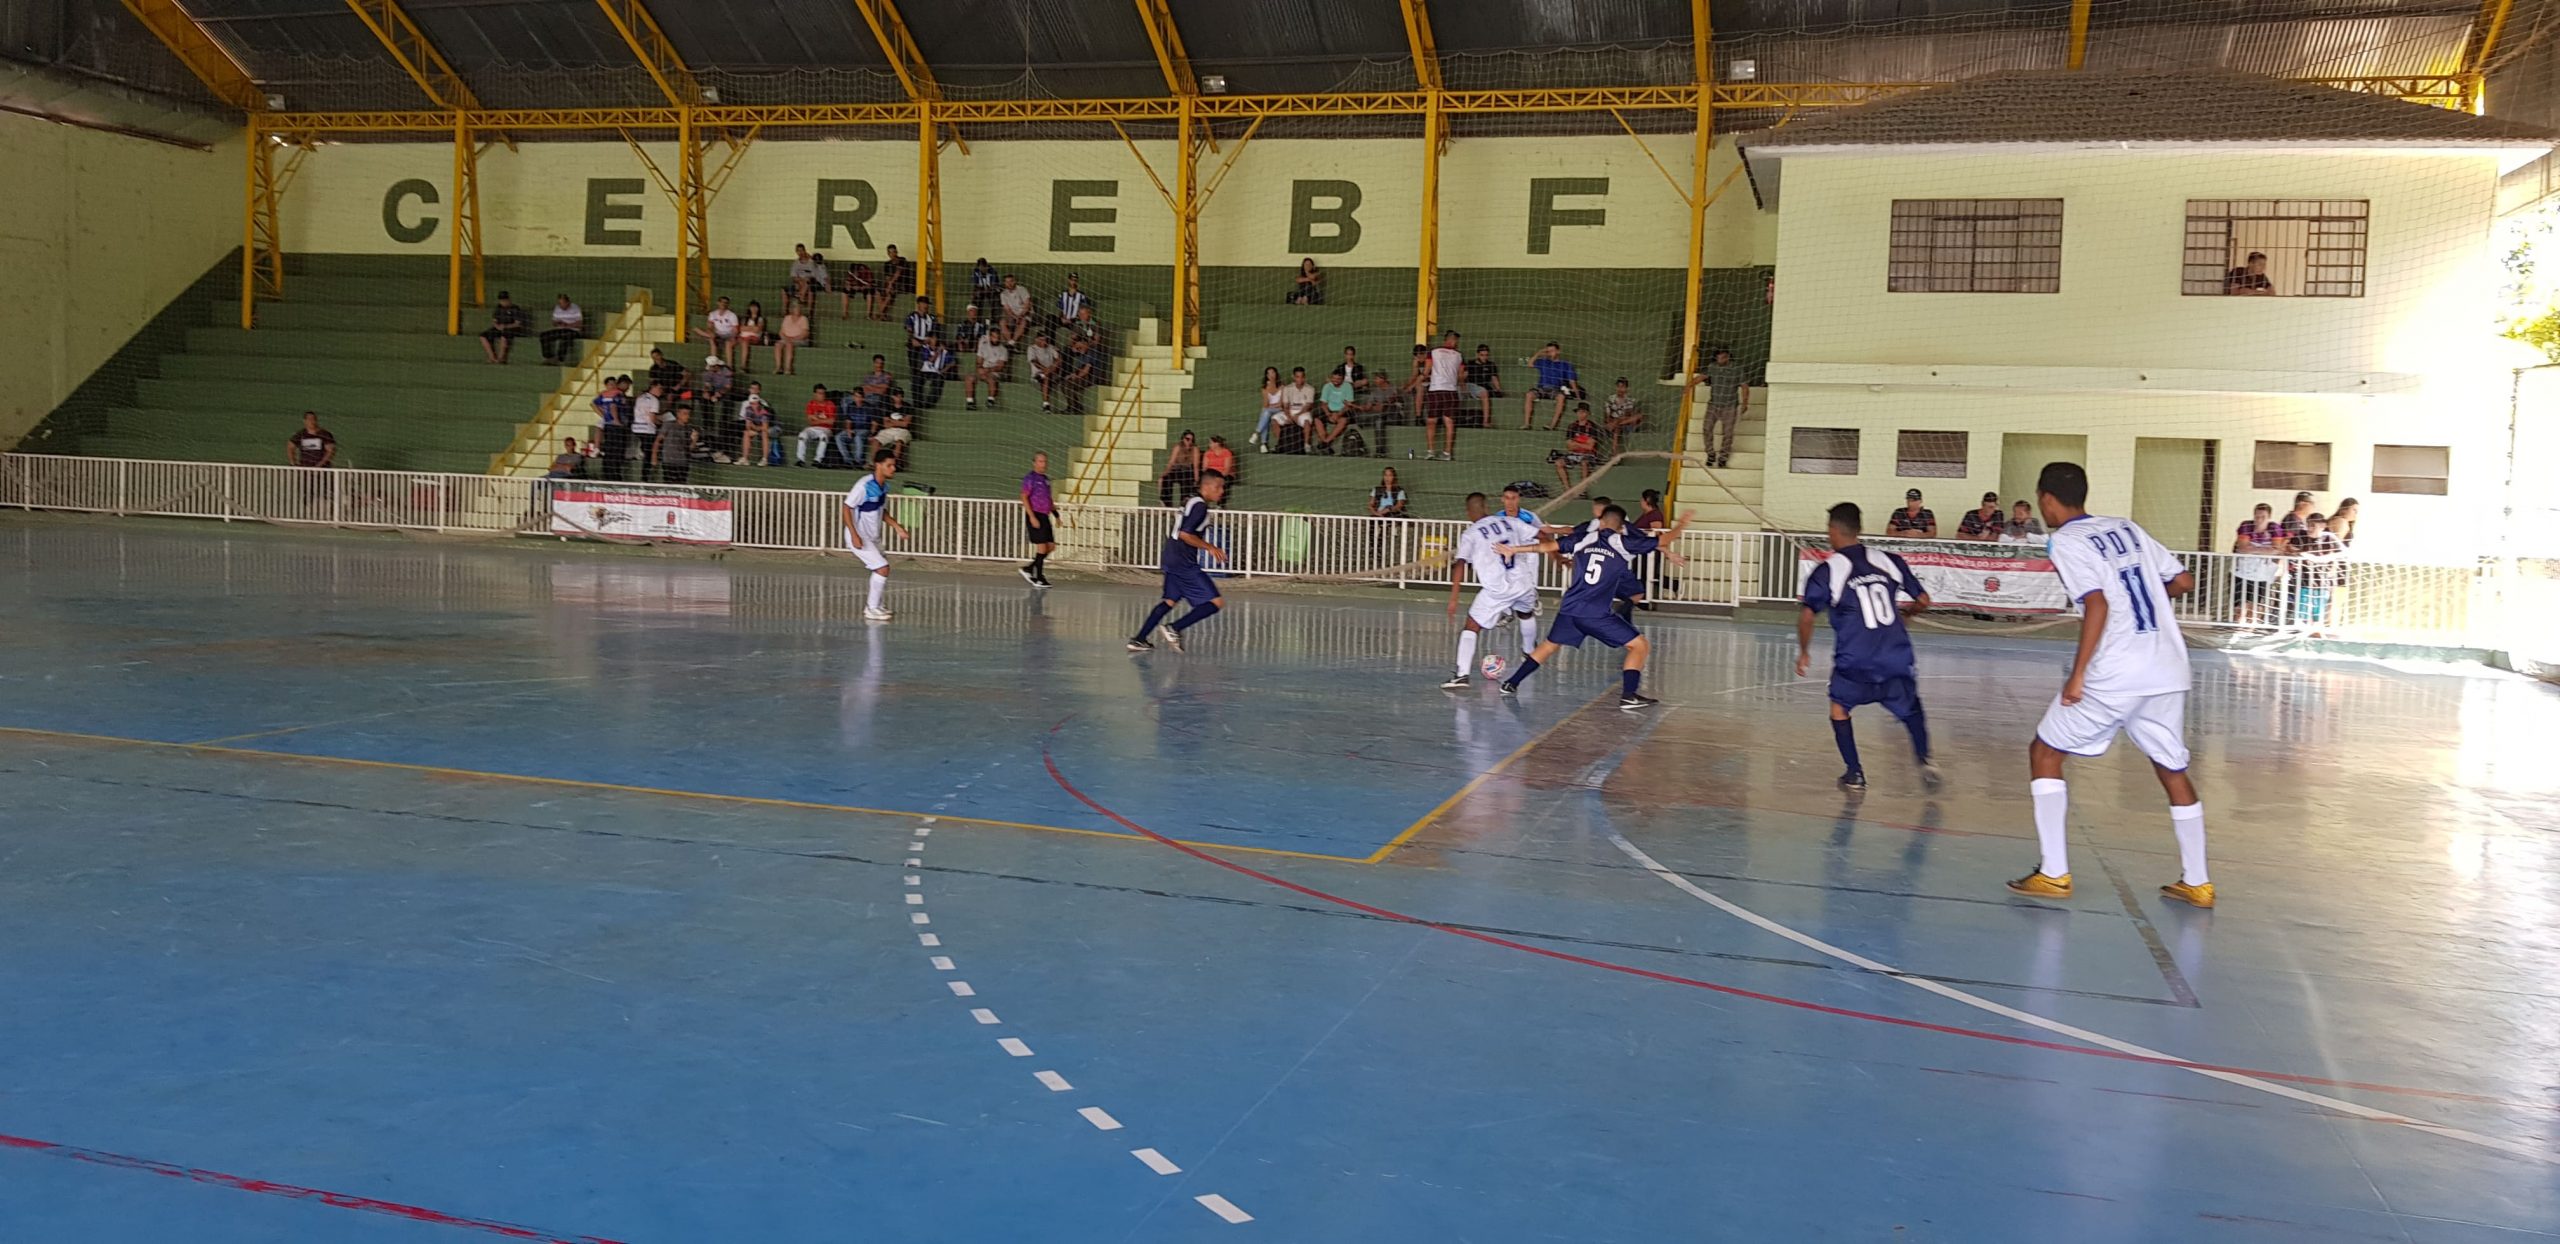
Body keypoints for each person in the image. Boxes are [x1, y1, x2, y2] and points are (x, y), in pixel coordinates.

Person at [2007, 461, 2211, 908]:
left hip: (2117, 672)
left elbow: (2096, 604)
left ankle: (2054, 872)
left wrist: (2078, 673)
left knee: (2044, 752)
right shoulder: (2125, 527)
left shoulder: (2065, 540)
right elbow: (2182, 580)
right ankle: (2198, 882)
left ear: (2045, 498)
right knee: (2171, 767)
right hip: (2166, 667)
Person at [1796, 502, 1940, 792]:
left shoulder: (1829, 570)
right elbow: (1924, 599)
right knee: (1911, 707)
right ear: (1859, 529)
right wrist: (1907, 615)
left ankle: (1855, 773)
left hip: (1856, 660)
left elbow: (1808, 614)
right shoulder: (1888, 560)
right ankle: (1925, 760)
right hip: (1895, 656)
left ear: (1832, 531)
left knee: (1839, 707)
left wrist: (1804, 652)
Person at [1495, 505, 1694, 709]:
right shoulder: (1622, 543)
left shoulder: (1584, 539)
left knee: (1548, 646)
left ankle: (1512, 683)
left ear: (1601, 522)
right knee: (1639, 645)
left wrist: (1513, 550)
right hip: (1595, 614)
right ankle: (1628, 695)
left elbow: (1546, 547)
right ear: (1620, 526)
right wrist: (1681, 525)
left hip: (1570, 608)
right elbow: (1664, 539)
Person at [1442, 488, 1544, 690]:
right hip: (1523, 582)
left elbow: (1461, 564)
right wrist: (1558, 555)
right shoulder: (1509, 522)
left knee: (1472, 626)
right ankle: (1528, 652)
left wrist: (1454, 598)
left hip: (1497, 589)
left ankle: (1462, 675)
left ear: (1468, 512)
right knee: (1525, 612)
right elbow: (1542, 535)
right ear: (1487, 507)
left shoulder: (1471, 533)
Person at [1126, 470, 1230, 652]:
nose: (1221, 491)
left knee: (1169, 601)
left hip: (1171, 556)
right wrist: (1210, 547)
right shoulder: (1200, 507)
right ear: (1205, 486)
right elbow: (1185, 534)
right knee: (1216, 602)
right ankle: (1175, 628)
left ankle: (1139, 639)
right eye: (1218, 486)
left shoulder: (1191, 500)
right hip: (1183, 561)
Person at [842, 450, 910, 622]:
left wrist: (897, 526)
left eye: (894, 465)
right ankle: (871, 609)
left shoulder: (883, 486)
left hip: (873, 536)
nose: (893, 468)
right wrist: (854, 534)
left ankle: (876, 606)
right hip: (859, 535)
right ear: (878, 465)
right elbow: (846, 508)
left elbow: (881, 511)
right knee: (882, 568)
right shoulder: (863, 485)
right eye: (889, 465)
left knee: (880, 569)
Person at [2232, 502, 2285, 624]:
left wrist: (2253, 549)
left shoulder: (2275, 529)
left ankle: (2251, 628)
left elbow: (2277, 550)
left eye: (2263, 517)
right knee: (2240, 604)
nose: (2259, 520)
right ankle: (2238, 627)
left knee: (2256, 605)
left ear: (2269, 517)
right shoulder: (2246, 526)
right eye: (2257, 516)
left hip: (2263, 574)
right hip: (2242, 572)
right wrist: (2265, 550)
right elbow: (2242, 548)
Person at [2293, 511, 2347, 630]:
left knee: (2318, 614)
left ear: (2322, 526)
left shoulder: (2329, 537)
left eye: (2313, 525)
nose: (2309, 528)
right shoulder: (2302, 536)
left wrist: (2323, 559)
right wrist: (2300, 554)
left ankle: (2316, 632)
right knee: (2303, 613)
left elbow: (2344, 552)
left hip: (2322, 582)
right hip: (2305, 582)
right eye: (2308, 525)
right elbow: (2288, 547)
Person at [1696, 347, 1746, 468]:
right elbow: (1701, 377)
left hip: (1729, 406)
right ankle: (1710, 453)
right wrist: (1689, 385)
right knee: (1706, 428)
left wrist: (1745, 402)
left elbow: (1744, 386)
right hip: (1713, 405)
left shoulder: (1736, 369)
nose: (1720, 360)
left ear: (1728, 357)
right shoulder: (1712, 367)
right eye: (1718, 357)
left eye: (1723, 357)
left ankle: (1723, 457)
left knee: (1728, 433)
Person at [1423, 329, 1463, 462]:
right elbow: (1461, 375)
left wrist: (1421, 379)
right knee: (1449, 422)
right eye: (1456, 341)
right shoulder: (1459, 356)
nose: (1456, 343)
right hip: (1451, 391)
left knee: (1431, 421)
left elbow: (1427, 370)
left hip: (1436, 389)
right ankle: (1447, 453)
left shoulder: (1434, 352)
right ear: (1451, 340)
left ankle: (1430, 451)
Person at [1522, 341, 1580, 430]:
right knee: (1529, 395)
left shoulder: (1565, 365)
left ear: (1558, 351)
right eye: (1548, 351)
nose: (1550, 353)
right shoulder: (1543, 362)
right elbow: (1530, 364)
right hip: (1542, 388)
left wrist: (1577, 395)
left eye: (1552, 351)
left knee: (1561, 397)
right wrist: (1539, 353)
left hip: (1556, 389)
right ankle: (1526, 424)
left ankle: (1552, 425)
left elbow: (1572, 381)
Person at [1020, 451, 1056, 588]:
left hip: (1045, 515)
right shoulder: (1030, 478)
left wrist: (1056, 514)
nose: (1043, 464)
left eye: (1045, 461)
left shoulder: (1046, 479)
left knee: (1051, 546)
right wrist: (1032, 516)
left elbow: (1049, 499)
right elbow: (1024, 496)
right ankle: (1039, 577)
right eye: (1040, 461)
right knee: (1041, 547)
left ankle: (1029, 568)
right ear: (1034, 463)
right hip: (1035, 514)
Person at [589, 378, 633, 482]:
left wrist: (604, 415)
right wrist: (616, 420)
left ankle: (608, 474)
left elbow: (594, 404)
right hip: (616, 426)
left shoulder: (604, 394)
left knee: (610, 450)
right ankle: (614, 476)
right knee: (616, 451)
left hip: (609, 424)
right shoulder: (617, 394)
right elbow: (613, 406)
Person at [1552, 405, 1601, 488]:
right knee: (1558, 463)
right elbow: (1569, 447)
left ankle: (1583, 489)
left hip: (1589, 455)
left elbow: (1590, 447)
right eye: (1578, 412)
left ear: (1587, 413)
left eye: (1582, 412)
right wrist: (1583, 444)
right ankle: (1567, 489)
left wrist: (1576, 443)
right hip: (1574, 454)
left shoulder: (1593, 427)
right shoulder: (1572, 426)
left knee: (1584, 462)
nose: (1580, 414)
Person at [1315, 367, 1357, 454]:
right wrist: (1328, 414)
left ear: (1343, 379)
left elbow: (1349, 405)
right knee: (1317, 419)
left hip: (1342, 412)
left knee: (1343, 421)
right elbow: (1323, 403)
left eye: (1338, 379)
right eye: (1334, 378)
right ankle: (1325, 442)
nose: (1335, 381)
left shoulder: (1348, 386)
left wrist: (1338, 414)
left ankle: (1326, 442)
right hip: (1329, 411)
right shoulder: (1327, 386)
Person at [1276, 367, 1316, 453]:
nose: (1300, 379)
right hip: (1290, 411)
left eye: (1302, 377)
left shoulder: (1310, 389)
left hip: (1303, 412)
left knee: (1307, 422)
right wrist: (1288, 416)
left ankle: (1306, 445)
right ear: (1293, 377)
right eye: (1297, 376)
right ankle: (1280, 443)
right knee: (1274, 419)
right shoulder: (1287, 388)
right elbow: (1285, 405)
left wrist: (1297, 415)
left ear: (1304, 377)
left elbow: (1309, 405)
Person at [1462, 344, 1503, 428]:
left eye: (1486, 355)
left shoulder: (1491, 365)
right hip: (1471, 385)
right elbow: (1463, 377)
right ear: (1477, 355)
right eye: (1482, 355)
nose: (1484, 357)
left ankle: (1485, 421)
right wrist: (1464, 388)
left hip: (1484, 386)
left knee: (1488, 393)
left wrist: (1498, 389)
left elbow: (1494, 378)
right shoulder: (1470, 363)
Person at [967, 327, 1008, 410]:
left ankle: (990, 400)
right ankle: (970, 402)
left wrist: (988, 370)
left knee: (991, 378)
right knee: (969, 378)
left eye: (998, 337)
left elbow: (1000, 366)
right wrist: (980, 368)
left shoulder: (1003, 350)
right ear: (990, 337)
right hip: (983, 371)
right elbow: (979, 362)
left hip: (995, 372)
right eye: (994, 337)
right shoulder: (983, 347)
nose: (996, 339)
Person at [479, 291, 526, 363]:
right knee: (483, 336)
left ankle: (501, 358)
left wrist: (505, 326)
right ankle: (492, 357)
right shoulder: (498, 308)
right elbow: (495, 321)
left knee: (504, 336)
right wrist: (497, 326)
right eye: (501, 301)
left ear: (509, 300)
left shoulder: (515, 308)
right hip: (500, 328)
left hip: (511, 329)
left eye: (505, 300)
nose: (503, 302)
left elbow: (517, 324)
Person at [631, 381, 665, 481]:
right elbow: (652, 418)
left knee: (646, 449)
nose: (661, 391)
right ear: (652, 387)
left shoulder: (640, 397)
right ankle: (645, 477)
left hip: (637, 428)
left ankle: (640, 449)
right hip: (647, 429)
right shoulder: (654, 400)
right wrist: (661, 423)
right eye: (659, 388)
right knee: (649, 453)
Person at [737, 381, 776, 466]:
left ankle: (765, 459)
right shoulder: (748, 409)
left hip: (771, 428)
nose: (753, 405)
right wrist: (754, 429)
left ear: (758, 403)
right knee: (746, 433)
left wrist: (755, 428)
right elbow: (748, 426)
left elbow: (765, 427)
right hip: (758, 427)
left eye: (754, 403)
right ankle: (745, 459)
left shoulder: (764, 410)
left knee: (764, 433)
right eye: (751, 403)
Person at [798, 384, 837, 466]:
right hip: (812, 428)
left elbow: (832, 422)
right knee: (802, 435)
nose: (822, 395)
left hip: (826, 429)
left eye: (823, 393)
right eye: (819, 393)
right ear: (815, 394)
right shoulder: (810, 404)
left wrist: (816, 419)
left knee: (823, 437)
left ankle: (817, 460)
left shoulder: (830, 404)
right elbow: (810, 422)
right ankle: (800, 459)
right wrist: (823, 420)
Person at [655, 408, 698, 484]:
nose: (687, 416)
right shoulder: (668, 425)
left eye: (689, 414)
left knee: (682, 484)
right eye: (685, 413)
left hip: (683, 462)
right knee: (668, 483)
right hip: (669, 461)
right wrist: (654, 456)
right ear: (678, 414)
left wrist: (694, 440)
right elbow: (658, 440)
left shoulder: (689, 429)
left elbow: (690, 448)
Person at [695, 295, 741, 366]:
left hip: (728, 335)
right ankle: (713, 363)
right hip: (717, 334)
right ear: (718, 303)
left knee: (728, 343)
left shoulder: (732, 315)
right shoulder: (712, 314)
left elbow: (735, 330)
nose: (723, 304)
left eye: (725, 303)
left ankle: (729, 366)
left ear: (728, 304)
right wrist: (711, 333)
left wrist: (733, 337)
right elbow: (709, 327)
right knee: (707, 335)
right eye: (722, 302)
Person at [1159, 430, 1200, 508]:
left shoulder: (1195, 449)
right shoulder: (1178, 447)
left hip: (1188, 470)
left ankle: (1183, 503)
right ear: (1183, 439)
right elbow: (1171, 462)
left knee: (1187, 479)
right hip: (1177, 469)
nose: (1189, 441)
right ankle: (1166, 503)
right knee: (1167, 479)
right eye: (1187, 439)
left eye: (1192, 440)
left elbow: (1196, 466)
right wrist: (1164, 474)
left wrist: (1196, 480)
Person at [1602, 377, 1643, 453]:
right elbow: (1607, 417)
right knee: (1617, 428)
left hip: (1626, 425)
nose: (1620, 389)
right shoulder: (1610, 399)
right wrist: (1614, 422)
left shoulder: (1631, 400)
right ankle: (1614, 451)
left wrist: (1619, 421)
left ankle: (1617, 423)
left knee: (1639, 416)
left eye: (1622, 387)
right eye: (1618, 387)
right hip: (1612, 426)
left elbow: (1631, 417)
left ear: (1627, 388)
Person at [541, 294, 585, 365]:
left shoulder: (575, 308)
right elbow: (554, 322)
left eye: (562, 303)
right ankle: (548, 357)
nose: (560, 305)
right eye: (559, 303)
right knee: (544, 335)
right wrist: (558, 323)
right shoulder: (557, 308)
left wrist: (568, 325)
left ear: (568, 303)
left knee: (565, 336)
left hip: (573, 330)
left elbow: (580, 324)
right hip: (561, 329)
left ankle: (560, 359)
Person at [914, 334, 953, 409]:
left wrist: (943, 371)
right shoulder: (925, 348)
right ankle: (918, 403)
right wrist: (938, 351)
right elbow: (930, 361)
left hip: (936, 373)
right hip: (925, 371)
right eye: (931, 338)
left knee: (938, 383)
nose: (932, 339)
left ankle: (929, 404)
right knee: (917, 380)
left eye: (933, 338)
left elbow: (952, 362)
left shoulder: (944, 351)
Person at [1027, 332, 1064, 411]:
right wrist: (1045, 370)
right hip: (1037, 374)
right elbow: (1034, 362)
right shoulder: (1031, 348)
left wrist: (1058, 352)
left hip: (1051, 374)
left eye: (1045, 340)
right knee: (1046, 377)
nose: (1044, 342)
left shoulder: (1050, 347)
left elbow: (1059, 359)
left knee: (1058, 363)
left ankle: (1043, 376)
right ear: (1036, 339)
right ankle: (1046, 404)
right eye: (1041, 340)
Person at [1251, 366, 1285, 450]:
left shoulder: (1282, 386)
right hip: (1269, 410)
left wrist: (1272, 406)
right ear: (1266, 376)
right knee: (1265, 415)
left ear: (1276, 374)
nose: (1271, 375)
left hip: (1280, 410)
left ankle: (1257, 433)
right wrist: (1268, 389)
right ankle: (1263, 444)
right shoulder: (1264, 388)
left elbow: (1281, 404)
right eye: (1269, 373)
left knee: (1265, 412)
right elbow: (1266, 404)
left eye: (1273, 372)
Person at [776, 300, 810, 375]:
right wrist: (785, 338)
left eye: (799, 308)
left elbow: (805, 334)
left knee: (789, 345)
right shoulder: (787, 318)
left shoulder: (804, 319)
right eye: (796, 308)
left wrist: (793, 339)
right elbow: (781, 332)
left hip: (799, 340)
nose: (798, 309)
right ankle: (779, 367)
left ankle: (788, 368)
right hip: (786, 339)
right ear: (792, 309)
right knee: (778, 345)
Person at [998, 273, 1032, 347]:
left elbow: (1027, 305)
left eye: (1011, 281)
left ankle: (1013, 341)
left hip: (1024, 314)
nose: (1009, 284)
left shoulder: (1022, 289)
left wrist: (1020, 316)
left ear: (1015, 281)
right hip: (1012, 316)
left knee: (1023, 322)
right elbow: (1007, 309)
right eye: (1007, 282)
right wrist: (1014, 316)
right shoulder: (1003, 294)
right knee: (1002, 322)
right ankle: (1010, 341)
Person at [737, 300, 767, 369]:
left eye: (756, 307)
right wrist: (752, 328)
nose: (754, 309)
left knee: (745, 343)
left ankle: (743, 365)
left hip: (753, 338)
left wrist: (747, 328)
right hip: (742, 337)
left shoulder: (760, 319)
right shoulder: (745, 318)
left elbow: (757, 330)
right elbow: (741, 328)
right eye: (752, 307)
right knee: (729, 342)